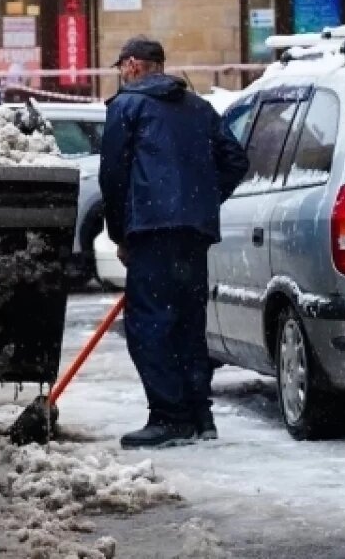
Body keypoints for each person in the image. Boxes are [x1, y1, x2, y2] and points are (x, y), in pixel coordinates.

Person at [99, 37, 248, 450]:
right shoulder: (199, 108)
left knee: (150, 324)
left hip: (150, 231)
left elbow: (112, 176)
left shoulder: (127, 107)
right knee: (187, 322)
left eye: (121, 68)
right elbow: (236, 160)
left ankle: (169, 418)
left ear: (131, 65)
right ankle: (200, 416)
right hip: (192, 234)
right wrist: (199, 203)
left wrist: (119, 234)